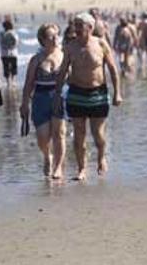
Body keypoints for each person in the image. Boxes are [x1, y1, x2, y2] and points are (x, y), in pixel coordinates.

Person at [53, 13, 122, 181]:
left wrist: (117, 93)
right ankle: (82, 168)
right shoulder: (70, 47)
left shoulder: (101, 44)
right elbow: (62, 71)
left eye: (80, 26)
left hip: (98, 93)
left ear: (90, 28)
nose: (76, 29)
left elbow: (112, 69)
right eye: (75, 25)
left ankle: (101, 157)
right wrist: (57, 94)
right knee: (79, 133)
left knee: (98, 133)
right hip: (77, 93)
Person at [20, 23, 67, 179]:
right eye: (50, 36)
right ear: (42, 40)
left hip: (60, 95)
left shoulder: (64, 55)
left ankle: (58, 167)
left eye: (56, 35)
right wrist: (24, 104)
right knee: (43, 137)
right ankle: (47, 156)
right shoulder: (36, 60)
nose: (55, 39)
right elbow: (28, 84)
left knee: (59, 133)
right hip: (41, 97)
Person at [0, 18, 20, 87]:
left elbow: (1, 42)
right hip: (12, 53)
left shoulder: (1, 33)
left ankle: (9, 82)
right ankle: (12, 81)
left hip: (5, 53)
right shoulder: (13, 33)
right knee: (12, 67)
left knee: (7, 67)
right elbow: (16, 42)